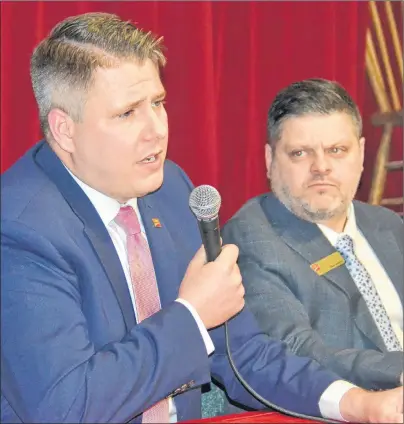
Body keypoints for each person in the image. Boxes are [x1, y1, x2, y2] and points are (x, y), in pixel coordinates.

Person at [1, 13, 402, 424]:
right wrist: (192, 315)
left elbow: (241, 351)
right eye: (127, 114)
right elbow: (66, 408)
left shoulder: (170, 188)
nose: (156, 130)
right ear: (65, 130)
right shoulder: (19, 231)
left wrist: (360, 404)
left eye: (158, 104)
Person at [222, 78, 403, 393]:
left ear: (361, 154)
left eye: (337, 150)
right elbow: (296, 351)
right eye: (300, 153)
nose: (321, 167)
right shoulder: (252, 238)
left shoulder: (388, 225)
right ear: (270, 160)